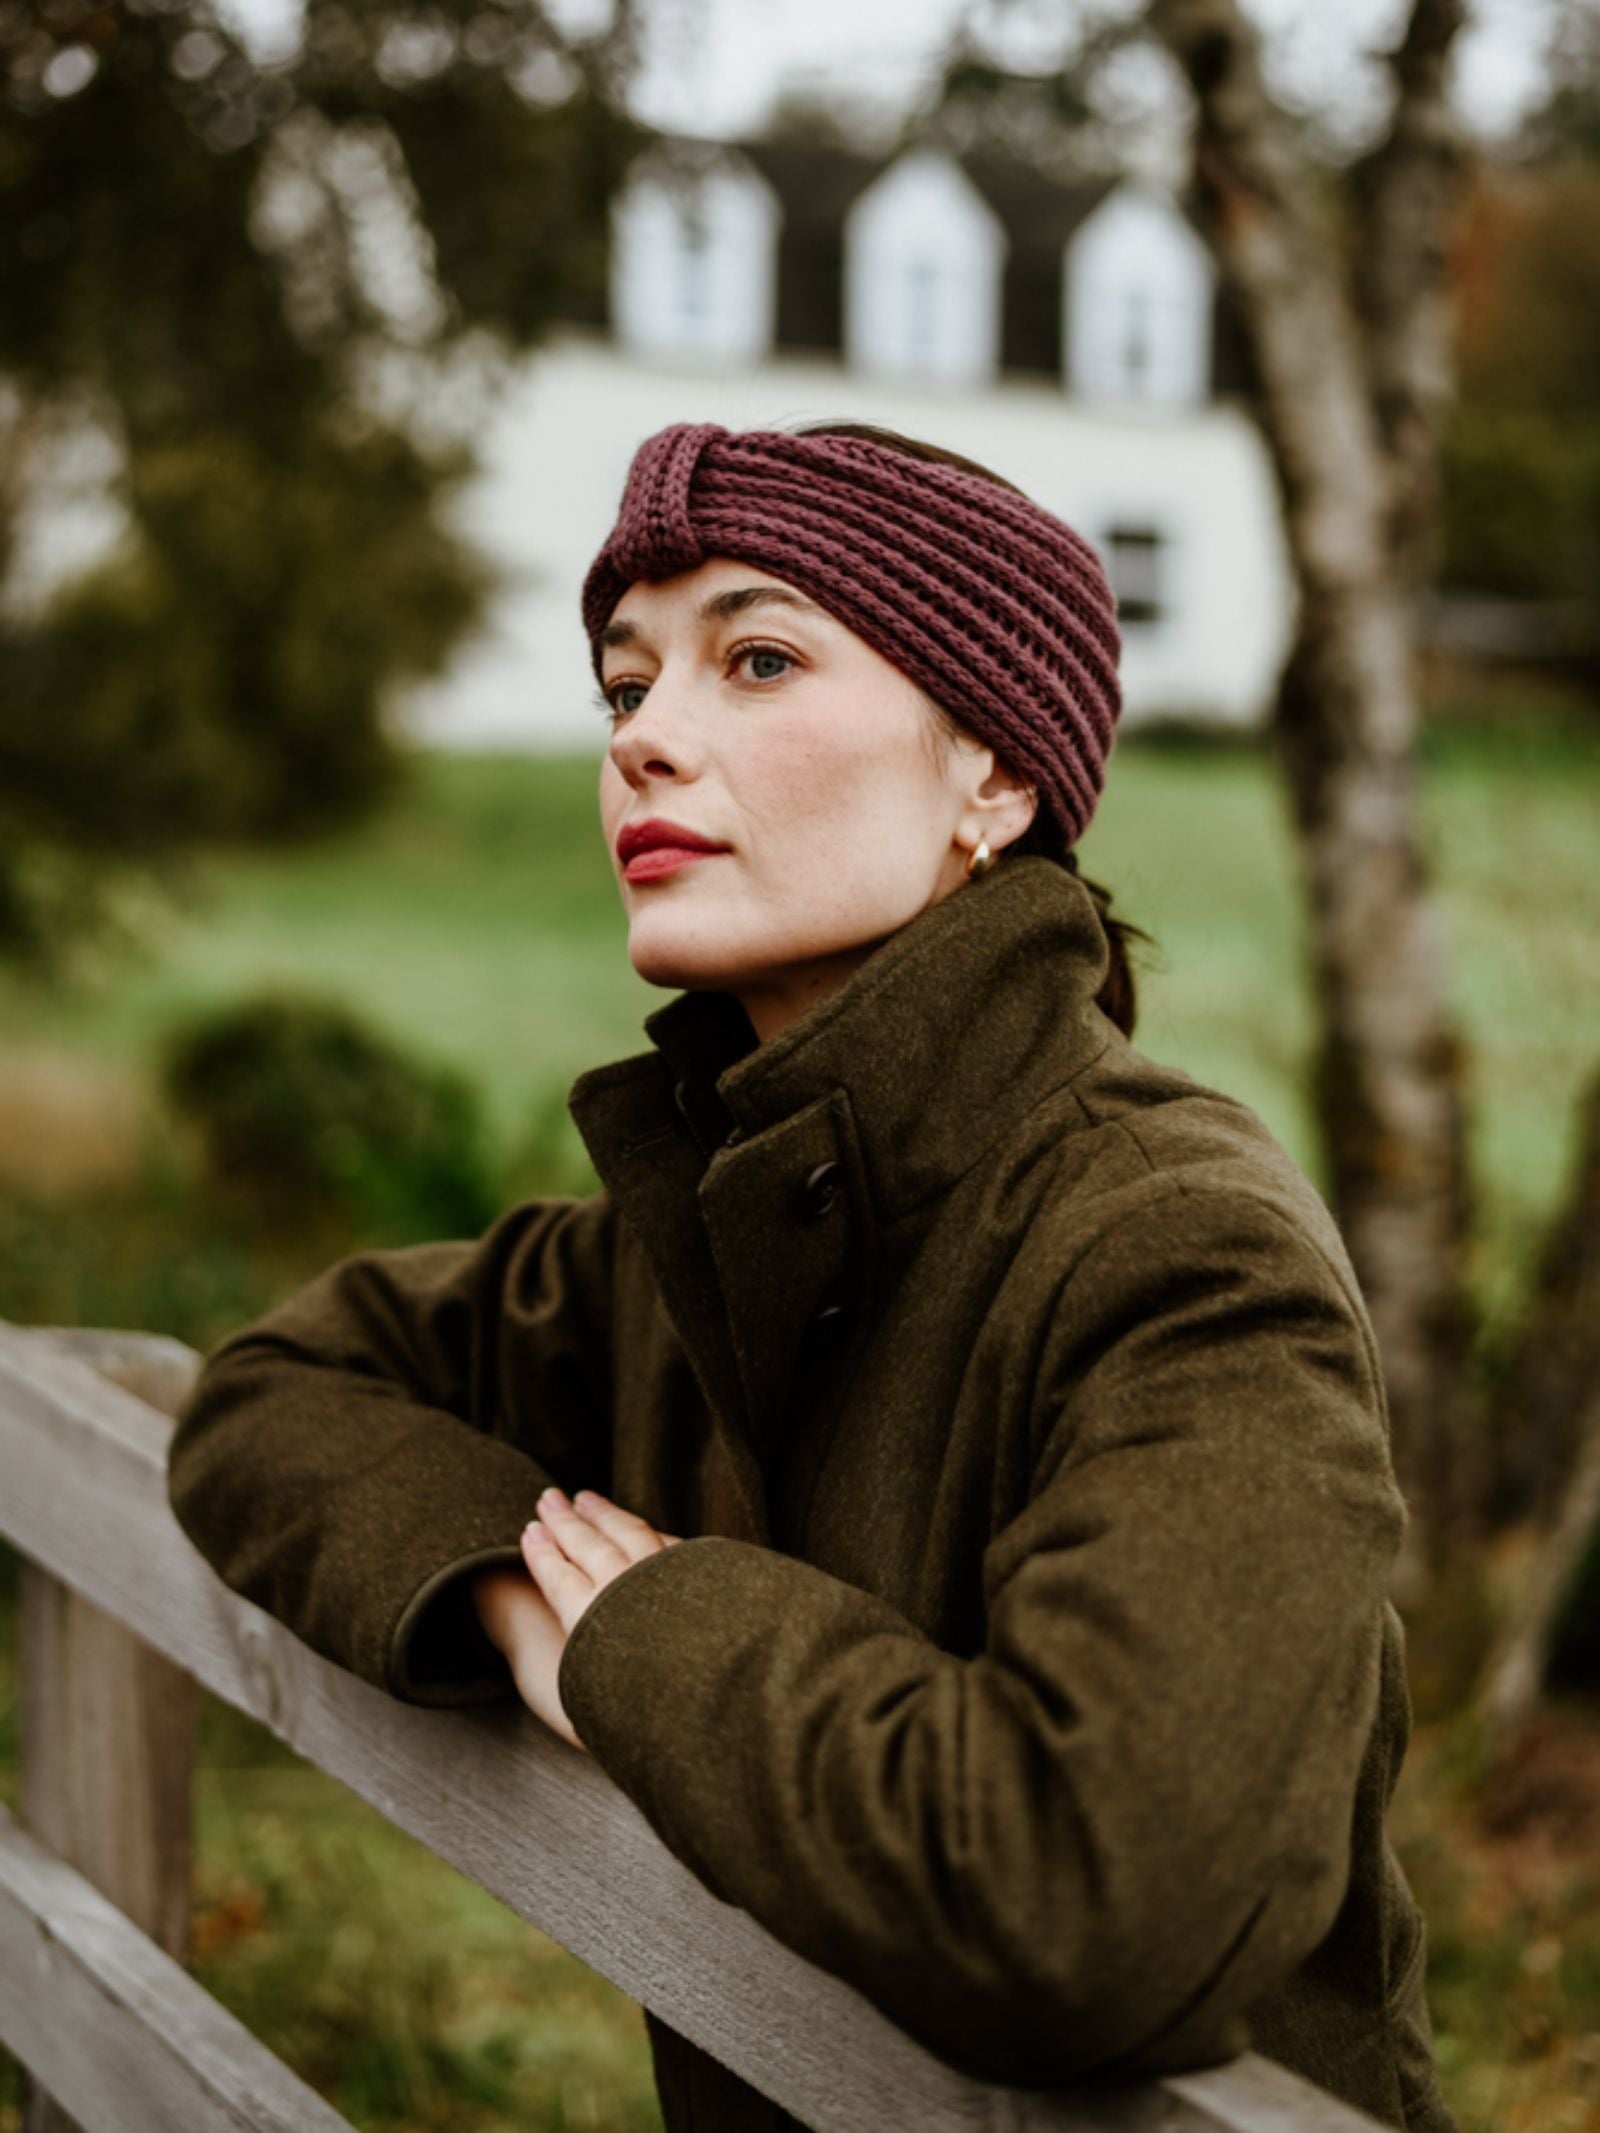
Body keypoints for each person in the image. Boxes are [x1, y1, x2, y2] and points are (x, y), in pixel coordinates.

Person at [165, 418, 1455, 2133]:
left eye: (755, 658)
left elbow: (1096, 1894)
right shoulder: (691, 1241)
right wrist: (525, 1606)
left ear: (992, 774)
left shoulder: (1178, 1246)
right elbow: (264, 1393)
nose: (647, 743)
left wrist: (650, 1631)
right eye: (625, 689)